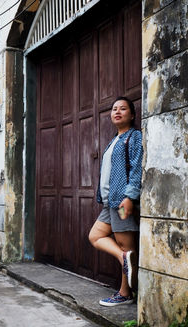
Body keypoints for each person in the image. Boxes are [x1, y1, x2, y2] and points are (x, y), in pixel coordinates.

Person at [89, 96, 143, 306]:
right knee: (95, 236)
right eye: (114, 109)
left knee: (126, 246)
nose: (117, 111)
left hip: (122, 202)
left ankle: (125, 293)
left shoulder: (134, 136)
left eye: (123, 108)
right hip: (110, 202)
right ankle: (124, 261)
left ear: (132, 114)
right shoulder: (115, 140)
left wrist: (130, 197)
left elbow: (137, 169)